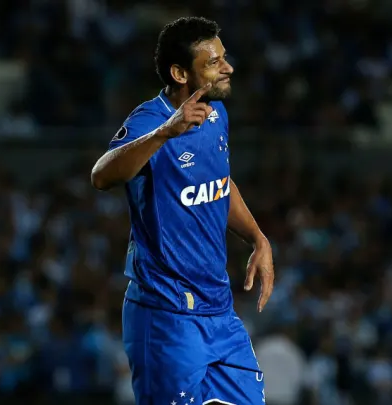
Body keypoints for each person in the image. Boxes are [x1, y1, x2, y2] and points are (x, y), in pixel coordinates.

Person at [90, 16, 275, 405]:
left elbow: (219, 184)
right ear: (179, 73)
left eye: (225, 58)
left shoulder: (216, 114)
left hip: (219, 312)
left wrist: (257, 238)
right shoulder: (150, 120)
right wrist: (164, 134)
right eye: (214, 62)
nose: (229, 67)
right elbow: (102, 175)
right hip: (166, 315)